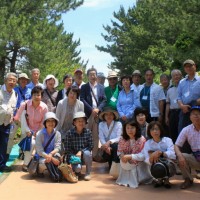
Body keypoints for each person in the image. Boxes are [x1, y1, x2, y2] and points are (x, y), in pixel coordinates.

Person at [14, 86, 48, 172]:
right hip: (26, 130)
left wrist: (37, 132)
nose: (37, 97)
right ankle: (25, 164)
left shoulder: (44, 107)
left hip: (39, 131)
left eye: (39, 95)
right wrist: (26, 130)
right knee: (31, 143)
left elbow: (44, 122)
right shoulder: (24, 105)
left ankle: (38, 164)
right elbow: (17, 118)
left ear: (41, 96)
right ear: (31, 95)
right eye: (34, 95)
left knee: (39, 145)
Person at [116, 120, 152, 188]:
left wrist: (130, 156)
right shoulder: (122, 138)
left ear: (136, 128)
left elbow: (143, 156)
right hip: (126, 161)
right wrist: (122, 156)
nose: (130, 130)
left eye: (132, 128)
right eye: (128, 128)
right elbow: (119, 151)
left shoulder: (141, 139)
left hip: (138, 162)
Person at [80, 67, 106, 158]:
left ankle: (94, 155)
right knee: (85, 135)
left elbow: (104, 100)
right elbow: (82, 99)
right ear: (87, 76)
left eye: (94, 74)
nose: (92, 76)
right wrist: (92, 109)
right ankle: (84, 155)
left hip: (98, 114)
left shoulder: (101, 87)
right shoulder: (84, 87)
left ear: (96, 75)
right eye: (90, 74)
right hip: (88, 114)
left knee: (96, 135)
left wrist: (98, 109)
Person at [143, 121, 176, 188]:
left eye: (157, 129)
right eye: (152, 129)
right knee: (154, 161)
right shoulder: (147, 143)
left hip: (167, 162)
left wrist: (161, 153)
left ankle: (167, 179)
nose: (155, 131)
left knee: (168, 160)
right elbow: (146, 158)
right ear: (149, 131)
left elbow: (173, 155)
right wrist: (152, 157)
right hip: (154, 162)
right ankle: (159, 179)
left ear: (160, 130)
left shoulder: (168, 140)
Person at [174, 106, 200, 189]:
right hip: (196, 158)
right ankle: (188, 179)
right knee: (181, 156)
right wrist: (180, 155)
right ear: (190, 117)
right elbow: (176, 145)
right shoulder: (186, 129)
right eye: (193, 114)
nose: (196, 116)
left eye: (198, 114)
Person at [7, 73, 32, 156]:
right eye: (21, 79)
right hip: (15, 116)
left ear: (27, 81)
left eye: (25, 80)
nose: (23, 81)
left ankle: (22, 153)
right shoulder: (14, 90)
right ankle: (6, 154)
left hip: (25, 117)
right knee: (11, 135)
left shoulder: (30, 91)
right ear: (19, 81)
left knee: (24, 134)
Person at [64, 111, 93, 181]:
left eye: (83, 121)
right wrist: (74, 156)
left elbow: (91, 145)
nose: (81, 123)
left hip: (84, 156)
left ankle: (88, 173)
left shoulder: (88, 132)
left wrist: (81, 152)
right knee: (78, 168)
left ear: (85, 122)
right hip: (73, 157)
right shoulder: (69, 133)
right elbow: (67, 148)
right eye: (79, 121)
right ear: (74, 123)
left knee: (87, 153)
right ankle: (77, 171)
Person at [0, 73, 18, 172]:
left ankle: (2, 165)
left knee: (4, 145)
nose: (12, 82)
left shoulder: (15, 93)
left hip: (6, 123)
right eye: (10, 80)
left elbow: (13, 107)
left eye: (14, 80)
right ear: (5, 81)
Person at [35, 112, 61, 177]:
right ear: (45, 123)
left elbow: (58, 147)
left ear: (55, 123)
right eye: (48, 121)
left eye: (53, 121)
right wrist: (51, 158)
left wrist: (51, 154)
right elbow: (39, 151)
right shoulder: (40, 134)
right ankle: (40, 171)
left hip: (53, 154)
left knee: (58, 160)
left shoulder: (57, 133)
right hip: (43, 156)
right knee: (44, 163)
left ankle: (52, 172)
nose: (51, 123)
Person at [177, 59, 199, 133]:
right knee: (183, 131)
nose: (188, 68)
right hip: (184, 109)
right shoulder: (182, 82)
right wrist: (182, 106)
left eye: (190, 66)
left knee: (197, 130)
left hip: (197, 107)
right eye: (186, 67)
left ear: (195, 66)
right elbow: (179, 96)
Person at [165, 69, 182, 143]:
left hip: (182, 112)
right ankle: (174, 149)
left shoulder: (184, 87)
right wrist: (166, 116)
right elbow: (168, 104)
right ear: (172, 77)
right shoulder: (169, 90)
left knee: (181, 131)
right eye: (174, 75)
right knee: (172, 131)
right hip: (172, 113)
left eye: (177, 75)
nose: (176, 77)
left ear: (181, 76)